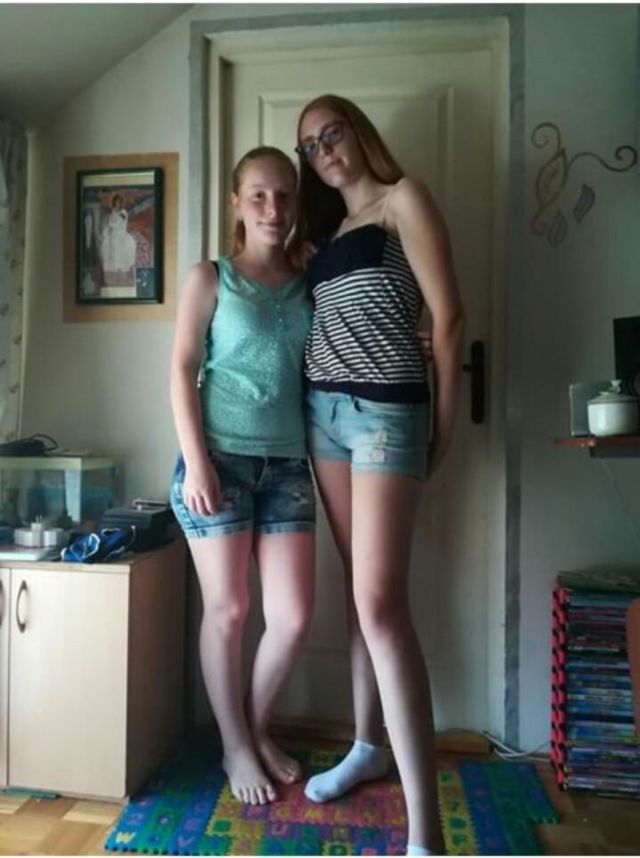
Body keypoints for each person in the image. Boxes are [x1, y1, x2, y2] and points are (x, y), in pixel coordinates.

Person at [293, 94, 465, 856]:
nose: (324, 150)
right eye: (309, 145)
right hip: (322, 416)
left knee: (380, 606)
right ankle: (367, 746)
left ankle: (426, 832)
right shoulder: (326, 235)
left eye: (331, 133)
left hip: (386, 414)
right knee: (359, 602)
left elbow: (450, 318)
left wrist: (445, 425)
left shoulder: (404, 200)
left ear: (358, 132)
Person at [169, 146, 316, 806]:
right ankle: (233, 746)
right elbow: (180, 369)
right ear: (236, 202)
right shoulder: (211, 277)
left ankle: (251, 732)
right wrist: (197, 460)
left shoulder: (310, 280)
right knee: (229, 610)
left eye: (283, 195)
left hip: (288, 464)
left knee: (294, 616)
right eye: (258, 195)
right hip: (218, 459)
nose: (272, 208)